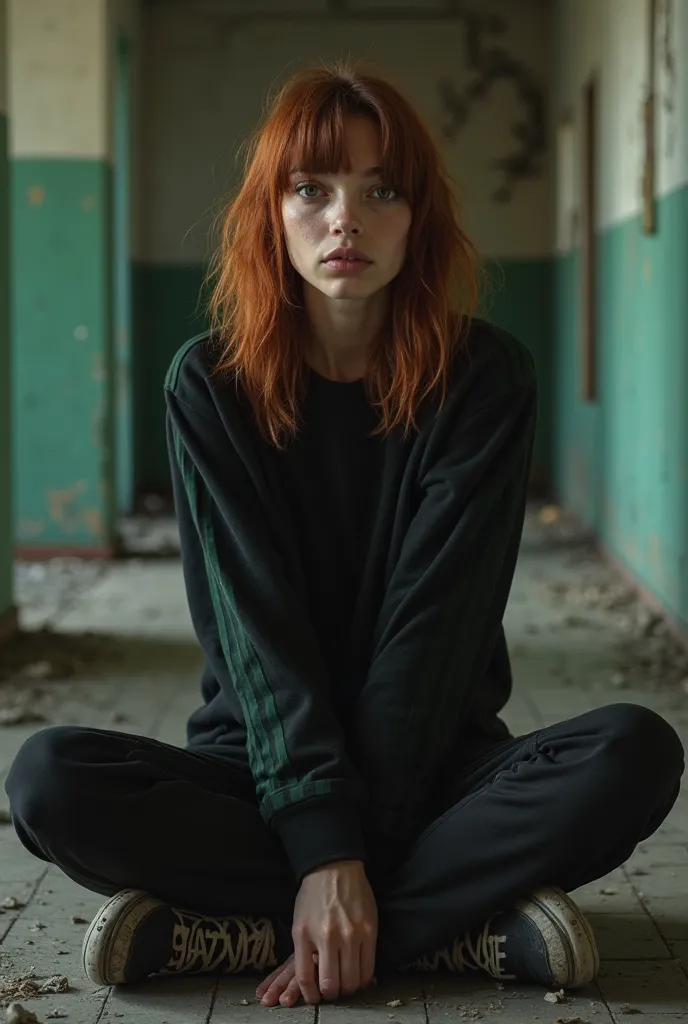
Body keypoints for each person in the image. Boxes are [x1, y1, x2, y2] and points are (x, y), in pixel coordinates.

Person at [4, 61, 684, 1009]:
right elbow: (255, 633)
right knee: (47, 780)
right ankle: (458, 929)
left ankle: (256, 931)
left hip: (435, 763)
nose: (344, 220)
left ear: (419, 218)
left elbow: (435, 632)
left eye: (382, 191)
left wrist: (345, 855)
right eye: (311, 189)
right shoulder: (209, 386)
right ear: (270, 213)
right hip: (260, 767)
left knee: (636, 752)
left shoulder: (484, 380)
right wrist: (323, 840)